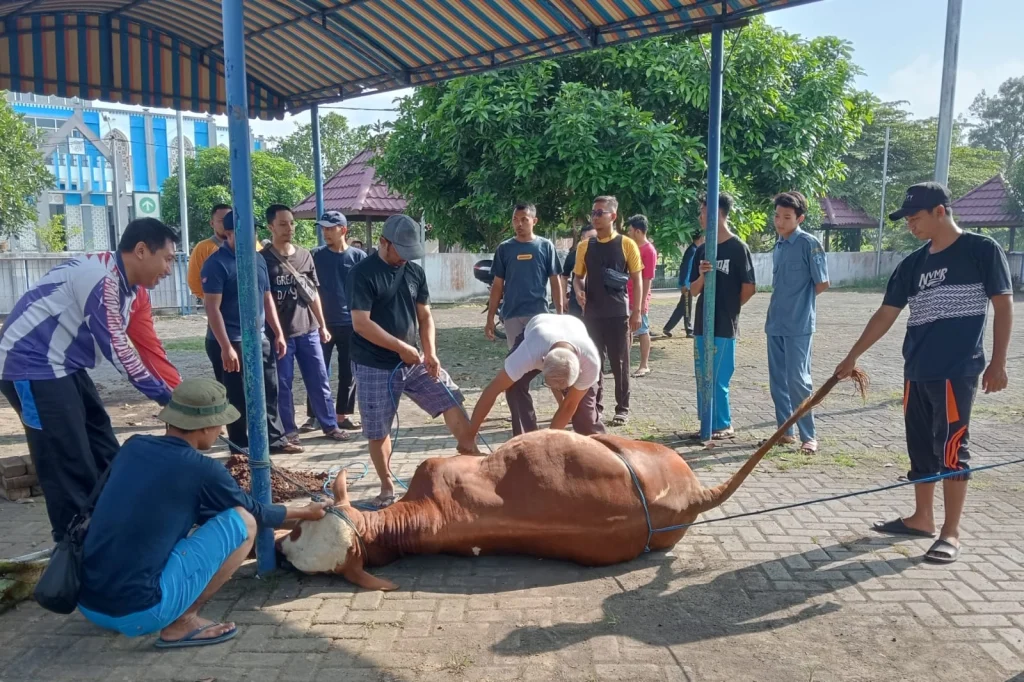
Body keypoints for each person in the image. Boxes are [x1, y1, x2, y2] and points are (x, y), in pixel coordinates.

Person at [835, 182, 1012, 565]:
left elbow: (1003, 306)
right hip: (916, 370)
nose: (911, 225)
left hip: (956, 370)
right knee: (920, 447)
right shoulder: (913, 264)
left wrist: (998, 362)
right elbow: (885, 314)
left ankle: (951, 533)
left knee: (951, 449)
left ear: (940, 212)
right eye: (908, 220)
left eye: (916, 218)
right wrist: (852, 356)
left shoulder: (982, 251)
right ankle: (921, 518)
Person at [77, 378, 327, 648]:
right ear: (207, 427)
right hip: (140, 613)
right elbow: (254, 512)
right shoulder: (203, 469)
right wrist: (307, 511)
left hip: (88, 603)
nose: (221, 429)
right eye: (221, 423)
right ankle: (183, 621)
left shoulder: (134, 446)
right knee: (243, 522)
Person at [0, 218, 177, 541]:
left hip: (64, 367)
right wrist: (166, 398)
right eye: (167, 258)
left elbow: (144, 343)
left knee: (104, 447)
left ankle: (113, 529)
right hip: (30, 367)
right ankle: (74, 552)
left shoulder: (128, 287)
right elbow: (119, 350)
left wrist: (171, 389)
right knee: (67, 461)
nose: (168, 270)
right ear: (141, 251)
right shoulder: (101, 279)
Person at [349, 214, 479, 509]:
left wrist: (430, 352)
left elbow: (425, 316)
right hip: (374, 363)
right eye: (400, 252)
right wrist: (400, 348)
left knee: (451, 397)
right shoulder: (362, 274)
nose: (405, 259)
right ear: (383, 242)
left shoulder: (414, 273)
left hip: (415, 359)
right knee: (378, 427)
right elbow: (361, 323)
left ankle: (474, 464)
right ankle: (386, 486)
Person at [200, 210, 301, 455]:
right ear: (229, 234)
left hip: (259, 338)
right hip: (228, 341)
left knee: (269, 388)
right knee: (235, 395)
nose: (250, 237)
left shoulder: (258, 260)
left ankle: (274, 440)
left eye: (253, 232)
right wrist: (225, 347)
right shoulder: (216, 264)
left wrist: (277, 332)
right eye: (242, 233)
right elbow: (212, 309)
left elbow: (267, 298)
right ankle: (240, 445)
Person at [260, 205, 348, 443]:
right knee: (284, 384)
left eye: (291, 223)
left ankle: (330, 425)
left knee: (320, 379)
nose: (289, 228)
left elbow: (313, 293)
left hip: (307, 329)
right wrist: (277, 333)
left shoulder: (304, 255)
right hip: (280, 335)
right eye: (282, 224)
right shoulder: (263, 260)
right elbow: (265, 301)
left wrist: (322, 325)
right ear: (270, 227)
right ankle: (289, 430)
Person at [765, 191, 830, 453]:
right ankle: (785, 432)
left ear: (799, 218)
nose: (780, 222)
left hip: (799, 325)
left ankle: (809, 436)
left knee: (798, 380)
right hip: (775, 323)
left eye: (787, 217)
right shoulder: (778, 245)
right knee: (778, 381)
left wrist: (799, 304)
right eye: (777, 216)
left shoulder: (809, 243)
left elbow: (822, 283)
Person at [469, 313, 605, 438]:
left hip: (572, 328)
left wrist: (548, 440)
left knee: (586, 415)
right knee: (514, 386)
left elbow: (569, 405)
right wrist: (470, 435)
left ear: (579, 371)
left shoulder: (590, 362)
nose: (558, 391)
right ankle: (526, 440)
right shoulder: (529, 352)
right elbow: (493, 389)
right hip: (536, 328)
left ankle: (602, 451)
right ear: (542, 361)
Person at [688, 192, 756, 441]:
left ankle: (723, 424)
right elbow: (693, 290)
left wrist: (730, 307)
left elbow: (749, 287)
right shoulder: (703, 249)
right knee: (701, 375)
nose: (700, 217)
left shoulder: (738, 248)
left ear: (716, 213)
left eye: (703, 211)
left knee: (718, 376)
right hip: (701, 323)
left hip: (725, 325)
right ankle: (706, 422)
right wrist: (703, 275)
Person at [572, 195, 642, 426]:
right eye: (593, 213)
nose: (595, 217)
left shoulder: (626, 244)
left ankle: (622, 408)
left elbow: (637, 279)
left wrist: (636, 311)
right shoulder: (585, 246)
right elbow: (578, 277)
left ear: (613, 216)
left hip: (618, 314)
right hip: (592, 314)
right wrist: (579, 290)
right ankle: (595, 406)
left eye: (600, 212)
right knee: (594, 363)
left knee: (621, 363)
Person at [301, 211, 366, 433]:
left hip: (351, 324)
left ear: (343, 230)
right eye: (324, 228)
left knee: (349, 371)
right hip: (320, 324)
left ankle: (342, 414)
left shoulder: (358, 257)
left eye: (331, 228)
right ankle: (314, 416)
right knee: (317, 371)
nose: (326, 232)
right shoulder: (315, 255)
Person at [484, 203, 564, 347]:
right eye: (515, 219)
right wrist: (490, 317)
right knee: (516, 359)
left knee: (538, 358)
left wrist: (560, 313)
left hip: (538, 313)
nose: (519, 224)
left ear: (534, 221)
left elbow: (555, 281)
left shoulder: (546, 246)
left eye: (524, 219)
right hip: (511, 313)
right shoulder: (504, 249)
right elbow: (497, 285)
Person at [625, 215, 657, 377]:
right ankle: (625, 362)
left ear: (638, 231)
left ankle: (644, 364)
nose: (628, 233)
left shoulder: (648, 250)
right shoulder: (633, 248)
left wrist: (642, 302)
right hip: (627, 296)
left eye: (630, 230)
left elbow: (647, 279)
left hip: (638, 299)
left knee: (642, 330)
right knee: (628, 330)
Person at [186, 204, 232, 301]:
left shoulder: (250, 245)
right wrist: (212, 298)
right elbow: (194, 281)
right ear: (212, 223)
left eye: (230, 219)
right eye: (222, 221)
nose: (227, 224)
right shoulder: (203, 248)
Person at [663, 232, 704, 338]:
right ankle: (688, 330)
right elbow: (687, 269)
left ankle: (669, 328)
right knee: (686, 307)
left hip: (688, 284)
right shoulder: (693, 251)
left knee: (683, 307)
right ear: (700, 238)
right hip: (688, 285)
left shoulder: (692, 250)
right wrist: (685, 284)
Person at [561, 224, 596, 318]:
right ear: (582, 238)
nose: (593, 240)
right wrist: (564, 298)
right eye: (590, 237)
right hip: (576, 301)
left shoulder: (602, 255)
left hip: (596, 301)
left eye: (596, 237)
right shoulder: (573, 256)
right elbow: (564, 277)